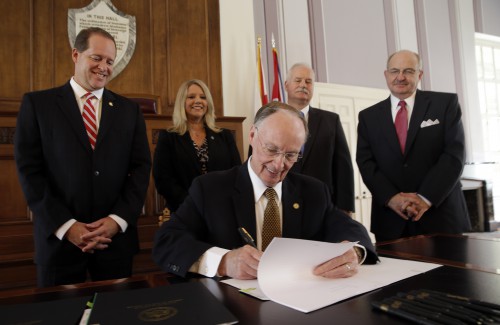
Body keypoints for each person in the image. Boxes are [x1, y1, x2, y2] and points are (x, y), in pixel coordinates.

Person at [153, 101, 378, 280]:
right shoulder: (210, 189)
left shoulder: (314, 191)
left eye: (291, 155)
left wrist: (354, 253)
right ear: (252, 136)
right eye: (271, 149)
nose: (279, 165)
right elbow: (167, 241)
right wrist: (224, 262)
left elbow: (353, 230)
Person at [14, 27, 151, 287]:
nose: (104, 67)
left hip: (115, 243)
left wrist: (117, 220)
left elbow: (141, 168)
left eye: (110, 61)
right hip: (58, 244)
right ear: (76, 54)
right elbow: (29, 171)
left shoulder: (129, 111)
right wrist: (67, 226)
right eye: (96, 58)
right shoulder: (38, 105)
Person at [356, 49, 471, 242]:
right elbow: (366, 162)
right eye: (394, 71)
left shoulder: (445, 104)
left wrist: (424, 198)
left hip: (441, 216)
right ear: (386, 75)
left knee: (451, 273)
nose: (400, 77)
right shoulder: (368, 116)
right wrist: (392, 198)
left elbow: (454, 155)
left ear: (420, 74)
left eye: (408, 71)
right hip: (390, 220)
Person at [153, 79, 241, 212]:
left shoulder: (225, 136)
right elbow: (163, 180)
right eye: (191, 97)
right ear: (182, 102)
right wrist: (193, 204)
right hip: (184, 210)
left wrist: (218, 203)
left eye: (203, 97)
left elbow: (236, 174)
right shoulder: (168, 137)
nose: (198, 101)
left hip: (221, 210)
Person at [285, 63, 355, 216]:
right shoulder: (271, 118)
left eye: (308, 81)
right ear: (286, 85)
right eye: (298, 80)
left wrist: (345, 208)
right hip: (282, 204)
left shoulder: (331, 121)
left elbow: (343, 167)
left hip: (322, 206)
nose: (303, 85)